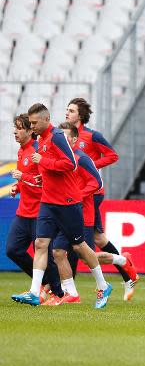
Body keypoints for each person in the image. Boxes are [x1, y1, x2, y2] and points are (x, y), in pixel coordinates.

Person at [11, 103, 112, 309]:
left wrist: (44, 162)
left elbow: (70, 164)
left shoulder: (57, 136)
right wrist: (38, 178)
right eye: (30, 123)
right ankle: (34, 291)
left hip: (68, 202)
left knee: (79, 247)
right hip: (48, 202)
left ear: (46, 119)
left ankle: (103, 285)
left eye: (34, 123)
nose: (32, 127)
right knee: (41, 244)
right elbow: (49, 170)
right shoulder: (41, 139)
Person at [44, 122, 138, 306]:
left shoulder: (82, 158)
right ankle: (71, 293)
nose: (62, 140)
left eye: (66, 137)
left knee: (84, 255)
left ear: (75, 139)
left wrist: (77, 195)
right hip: (64, 211)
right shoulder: (61, 161)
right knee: (58, 251)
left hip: (81, 213)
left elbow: (97, 183)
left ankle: (118, 264)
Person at [65, 98, 137, 300]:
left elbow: (112, 155)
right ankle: (127, 270)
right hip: (76, 193)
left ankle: (70, 291)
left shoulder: (92, 136)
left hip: (91, 193)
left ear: (80, 115)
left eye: (71, 111)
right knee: (97, 239)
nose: (67, 113)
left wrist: (91, 164)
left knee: (80, 244)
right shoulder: (65, 137)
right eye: (67, 110)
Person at [5, 113, 63, 301]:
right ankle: (43, 284)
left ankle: (59, 293)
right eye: (15, 127)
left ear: (30, 131)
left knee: (48, 255)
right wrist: (17, 187)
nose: (15, 131)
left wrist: (23, 179)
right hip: (23, 212)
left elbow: (44, 183)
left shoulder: (37, 152)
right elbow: (27, 180)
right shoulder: (22, 151)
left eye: (19, 128)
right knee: (13, 250)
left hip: (40, 212)